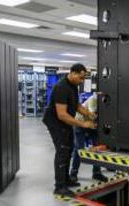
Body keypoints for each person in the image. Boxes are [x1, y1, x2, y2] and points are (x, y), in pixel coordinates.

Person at [43, 63, 96, 197]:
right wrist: (83, 124)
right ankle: (59, 186)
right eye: (81, 77)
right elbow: (62, 114)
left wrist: (88, 113)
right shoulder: (61, 87)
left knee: (69, 149)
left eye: (84, 78)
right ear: (73, 73)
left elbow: (76, 104)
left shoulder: (73, 86)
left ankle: (66, 180)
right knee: (62, 152)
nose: (82, 81)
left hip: (64, 121)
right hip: (56, 122)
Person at [70, 93, 108, 183]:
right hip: (80, 123)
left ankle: (97, 172)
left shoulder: (106, 101)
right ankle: (73, 174)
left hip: (92, 125)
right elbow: (91, 115)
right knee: (79, 148)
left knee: (97, 147)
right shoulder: (93, 100)